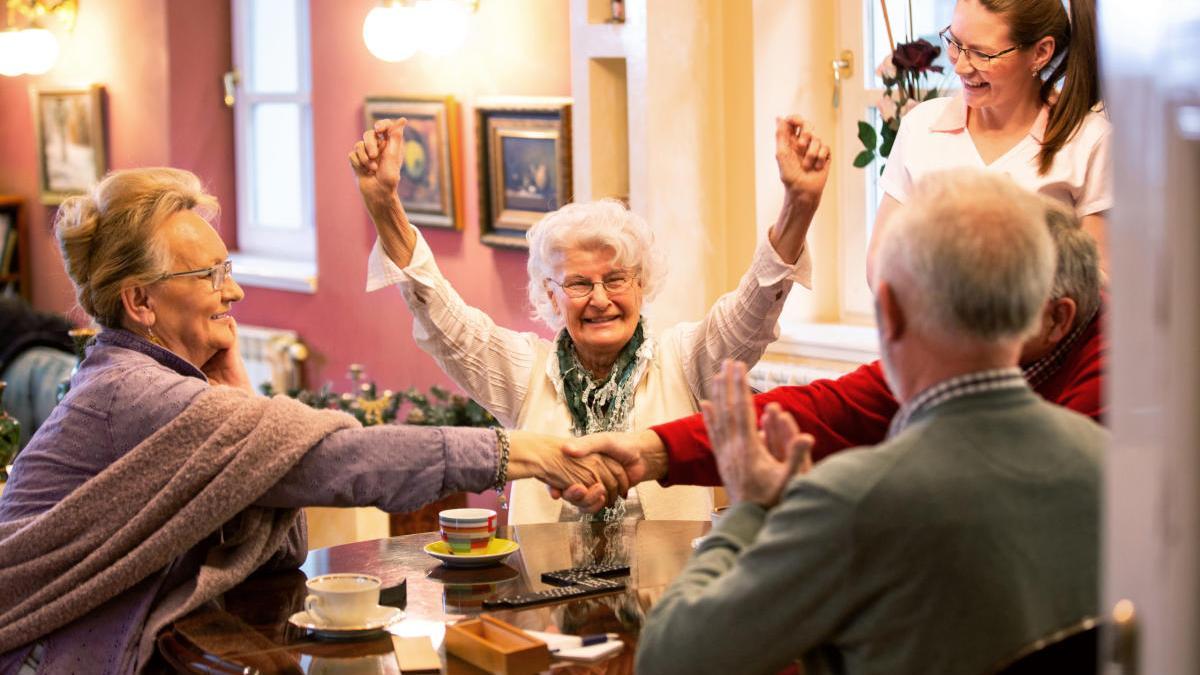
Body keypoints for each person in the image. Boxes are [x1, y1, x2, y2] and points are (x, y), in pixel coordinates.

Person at [0, 168, 624, 674]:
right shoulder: (131, 392)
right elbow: (339, 462)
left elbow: (279, 553)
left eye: (229, 269)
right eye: (209, 275)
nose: (234, 292)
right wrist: (522, 452)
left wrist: (243, 405)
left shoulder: (167, 387)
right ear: (139, 302)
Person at [636, 169, 1106, 675]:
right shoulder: (1110, 463)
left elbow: (671, 658)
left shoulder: (852, 502)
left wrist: (755, 509)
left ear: (888, 311)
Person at [349, 116, 831, 524]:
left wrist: (799, 206)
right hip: (542, 602)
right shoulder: (525, 373)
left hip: (668, 595)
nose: (600, 299)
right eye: (579, 284)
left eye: (616, 279)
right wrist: (384, 206)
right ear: (550, 296)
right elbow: (446, 323)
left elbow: (747, 315)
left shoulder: (683, 360)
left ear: (641, 284)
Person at [557, 197, 1104, 505]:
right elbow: (830, 409)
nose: (968, 320)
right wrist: (653, 450)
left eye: (1000, 302)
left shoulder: (1117, 386)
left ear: (1059, 319)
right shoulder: (973, 350)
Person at [870, 0, 1110, 276]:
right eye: (955, 43)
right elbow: (880, 264)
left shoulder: (1090, 141)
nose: (960, 67)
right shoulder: (920, 127)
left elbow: (1095, 284)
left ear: (1041, 52)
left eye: (981, 54)